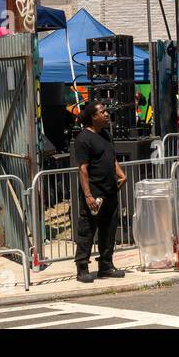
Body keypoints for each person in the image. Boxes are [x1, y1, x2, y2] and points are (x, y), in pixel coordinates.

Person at [73, 101, 128, 283]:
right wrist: (88, 195)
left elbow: (111, 159)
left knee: (109, 230)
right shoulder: (83, 139)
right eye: (102, 112)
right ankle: (82, 268)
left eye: (106, 111)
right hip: (95, 194)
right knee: (87, 231)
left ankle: (106, 265)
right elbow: (83, 169)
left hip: (111, 191)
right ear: (92, 117)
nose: (106, 114)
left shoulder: (106, 135)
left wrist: (121, 175)